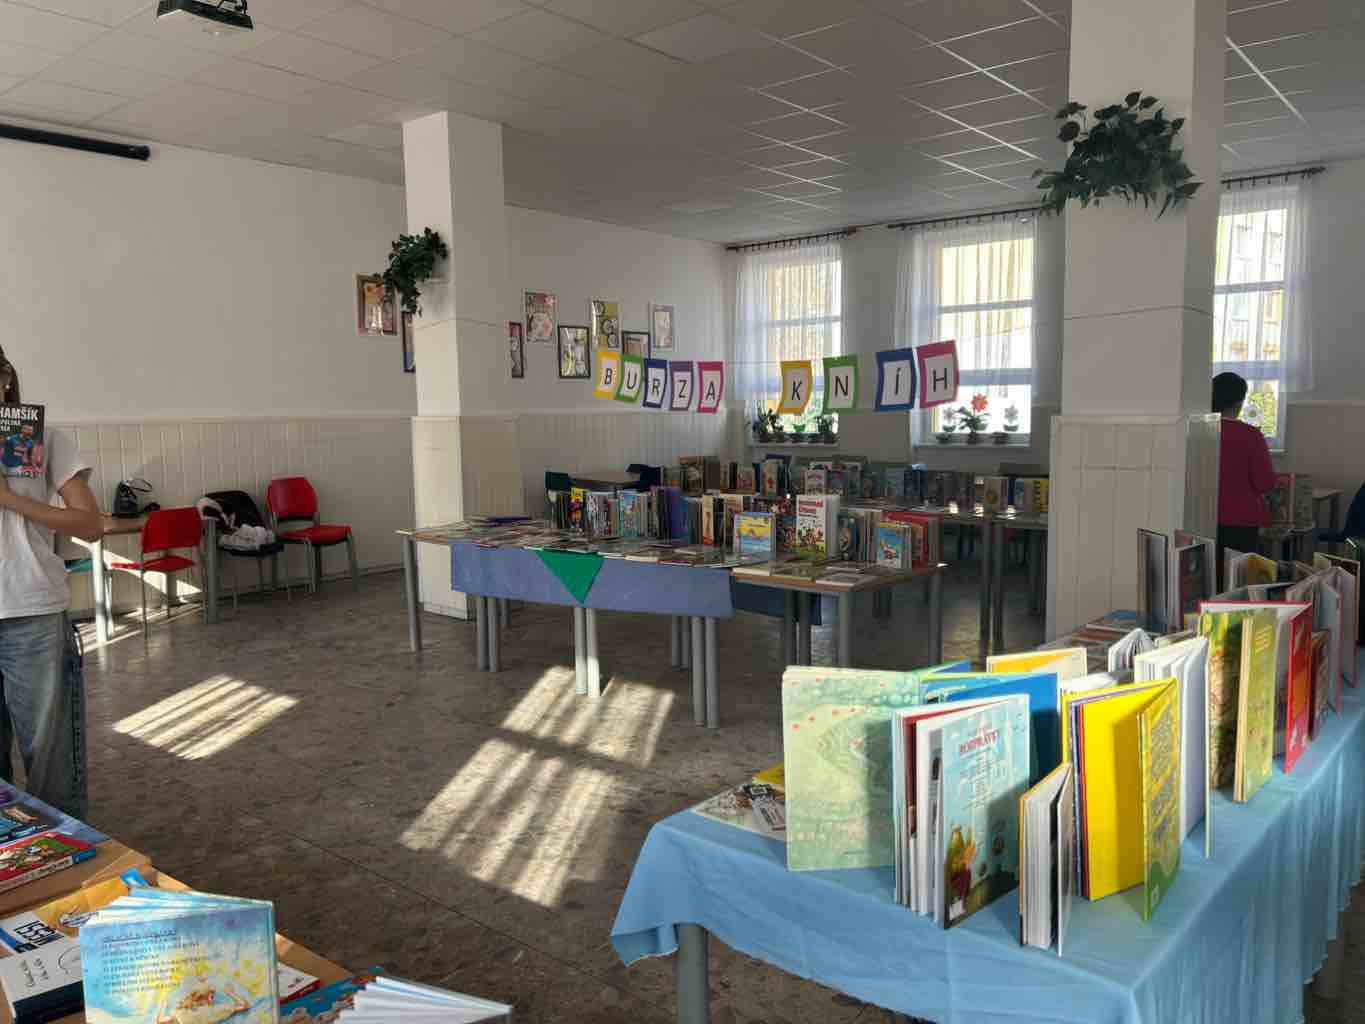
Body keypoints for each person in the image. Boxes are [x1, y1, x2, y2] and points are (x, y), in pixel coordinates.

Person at [0, 346, 100, 817]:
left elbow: (90, 525)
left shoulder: (43, 440)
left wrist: (8, 498)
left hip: (32, 614)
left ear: (5, 378)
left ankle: (67, 852)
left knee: (51, 768)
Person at [1213, 371, 1277, 583]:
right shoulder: (1251, 436)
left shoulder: (1199, 431)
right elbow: (1265, 482)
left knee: (1210, 580)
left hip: (1204, 519)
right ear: (1239, 402)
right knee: (1238, 583)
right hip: (1241, 522)